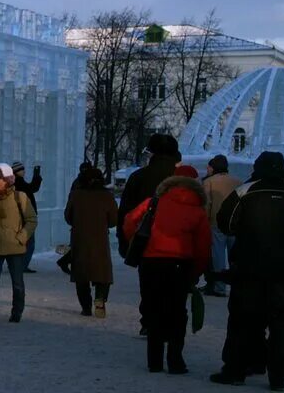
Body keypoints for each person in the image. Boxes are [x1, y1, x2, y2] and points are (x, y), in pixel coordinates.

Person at [210, 151, 284, 390]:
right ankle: (278, 376)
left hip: (248, 267)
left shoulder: (245, 191)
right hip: (282, 269)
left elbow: (225, 223)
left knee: (242, 320)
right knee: (279, 323)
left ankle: (235, 369)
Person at [123, 164, 211, 375]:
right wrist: (196, 272)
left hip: (151, 262)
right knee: (177, 312)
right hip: (181, 265)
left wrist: (137, 244)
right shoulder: (198, 210)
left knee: (153, 308)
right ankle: (175, 360)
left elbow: (129, 222)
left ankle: (154, 361)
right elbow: (203, 246)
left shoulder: (153, 202)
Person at [118, 134, 181, 334]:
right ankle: (169, 321)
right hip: (179, 243)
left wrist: (125, 242)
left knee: (149, 284)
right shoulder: (183, 179)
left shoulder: (139, 177)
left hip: (146, 241)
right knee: (173, 286)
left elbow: (126, 213)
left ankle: (149, 320)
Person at [0, 162, 37, 326]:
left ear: (7, 180)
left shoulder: (20, 197)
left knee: (17, 282)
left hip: (15, 246)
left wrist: (21, 237)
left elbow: (32, 220)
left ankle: (17, 312)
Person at [64, 163, 118, 318]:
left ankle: (86, 307)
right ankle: (100, 298)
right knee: (102, 272)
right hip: (100, 240)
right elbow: (114, 220)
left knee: (81, 275)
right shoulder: (107, 196)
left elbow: (68, 217)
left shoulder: (76, 195)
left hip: (80, 239)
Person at [202, 154, 241, 296]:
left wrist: (205, 221)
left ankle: (219, 286)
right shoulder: (237, 181)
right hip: (235, 224)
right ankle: (237, 285)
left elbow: (207, 204)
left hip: (216, 223)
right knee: (235, 256)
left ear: (213, 167)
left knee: (218, 255)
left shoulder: (209, 182)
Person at [11, 161, 43, 272]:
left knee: (21, 242)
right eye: (22, 169)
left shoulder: (15, 183)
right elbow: (32, 188)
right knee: (29, 243)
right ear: (17, 172)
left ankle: (17, 265)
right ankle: (22, 266)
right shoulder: (19, 183)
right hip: (25, 218)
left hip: (19, 217)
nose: (24, 171)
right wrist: (36, 176)